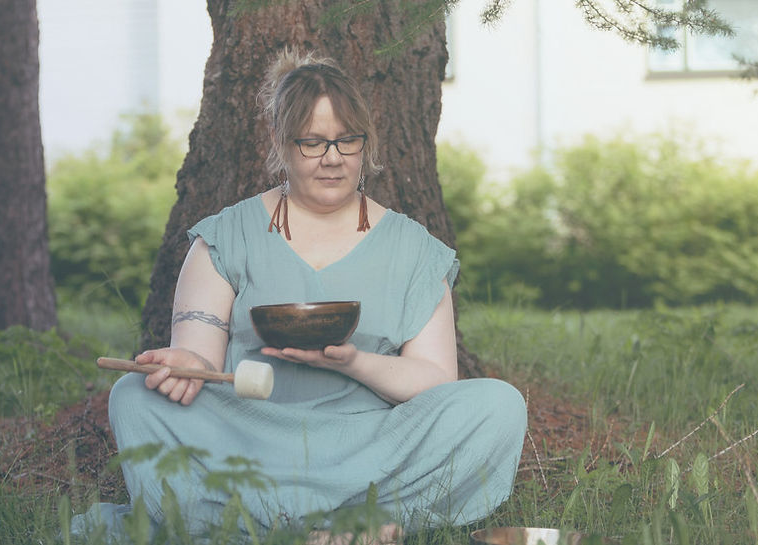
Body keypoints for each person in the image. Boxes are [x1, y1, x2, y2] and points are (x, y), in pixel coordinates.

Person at [72, 49, 526, 542]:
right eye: (312, 142)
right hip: (247, 441)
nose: (332, 158)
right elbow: (200, 357)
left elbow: (435, 381)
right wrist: (186, 365)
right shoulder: (226, 237)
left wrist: (353, 362)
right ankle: (326, 529)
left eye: (346, 140)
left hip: (370, 448)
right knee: (134, 397)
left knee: (498, 405)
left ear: (365, 143)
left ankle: (291, 527)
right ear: (279, 141)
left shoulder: (415, 249)